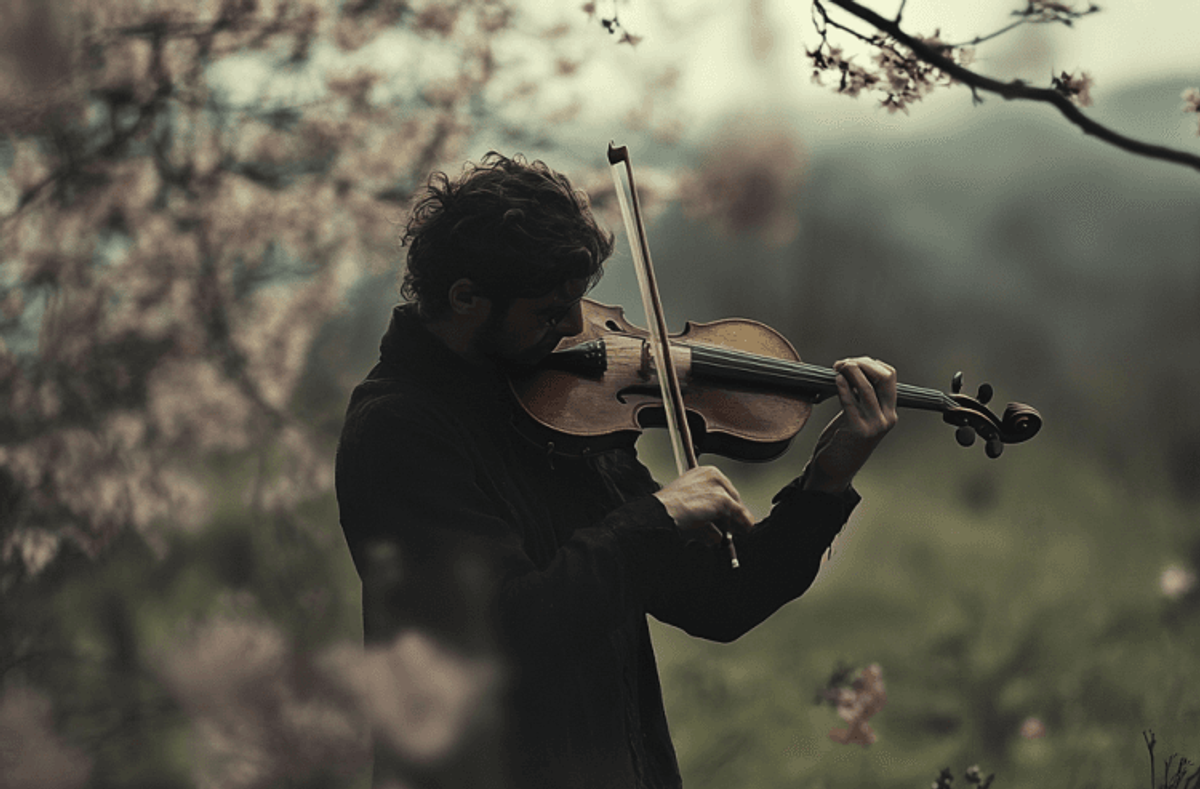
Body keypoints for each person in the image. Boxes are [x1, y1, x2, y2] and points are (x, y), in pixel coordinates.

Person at [335, 152, 898, 789]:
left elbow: (720, 601)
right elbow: (496, 637)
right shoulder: (399, 428)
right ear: (466, 297)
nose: (577, 329)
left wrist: (827, 480)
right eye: (549, 312)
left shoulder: (564, 409)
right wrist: (654, 518)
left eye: (577, 303)